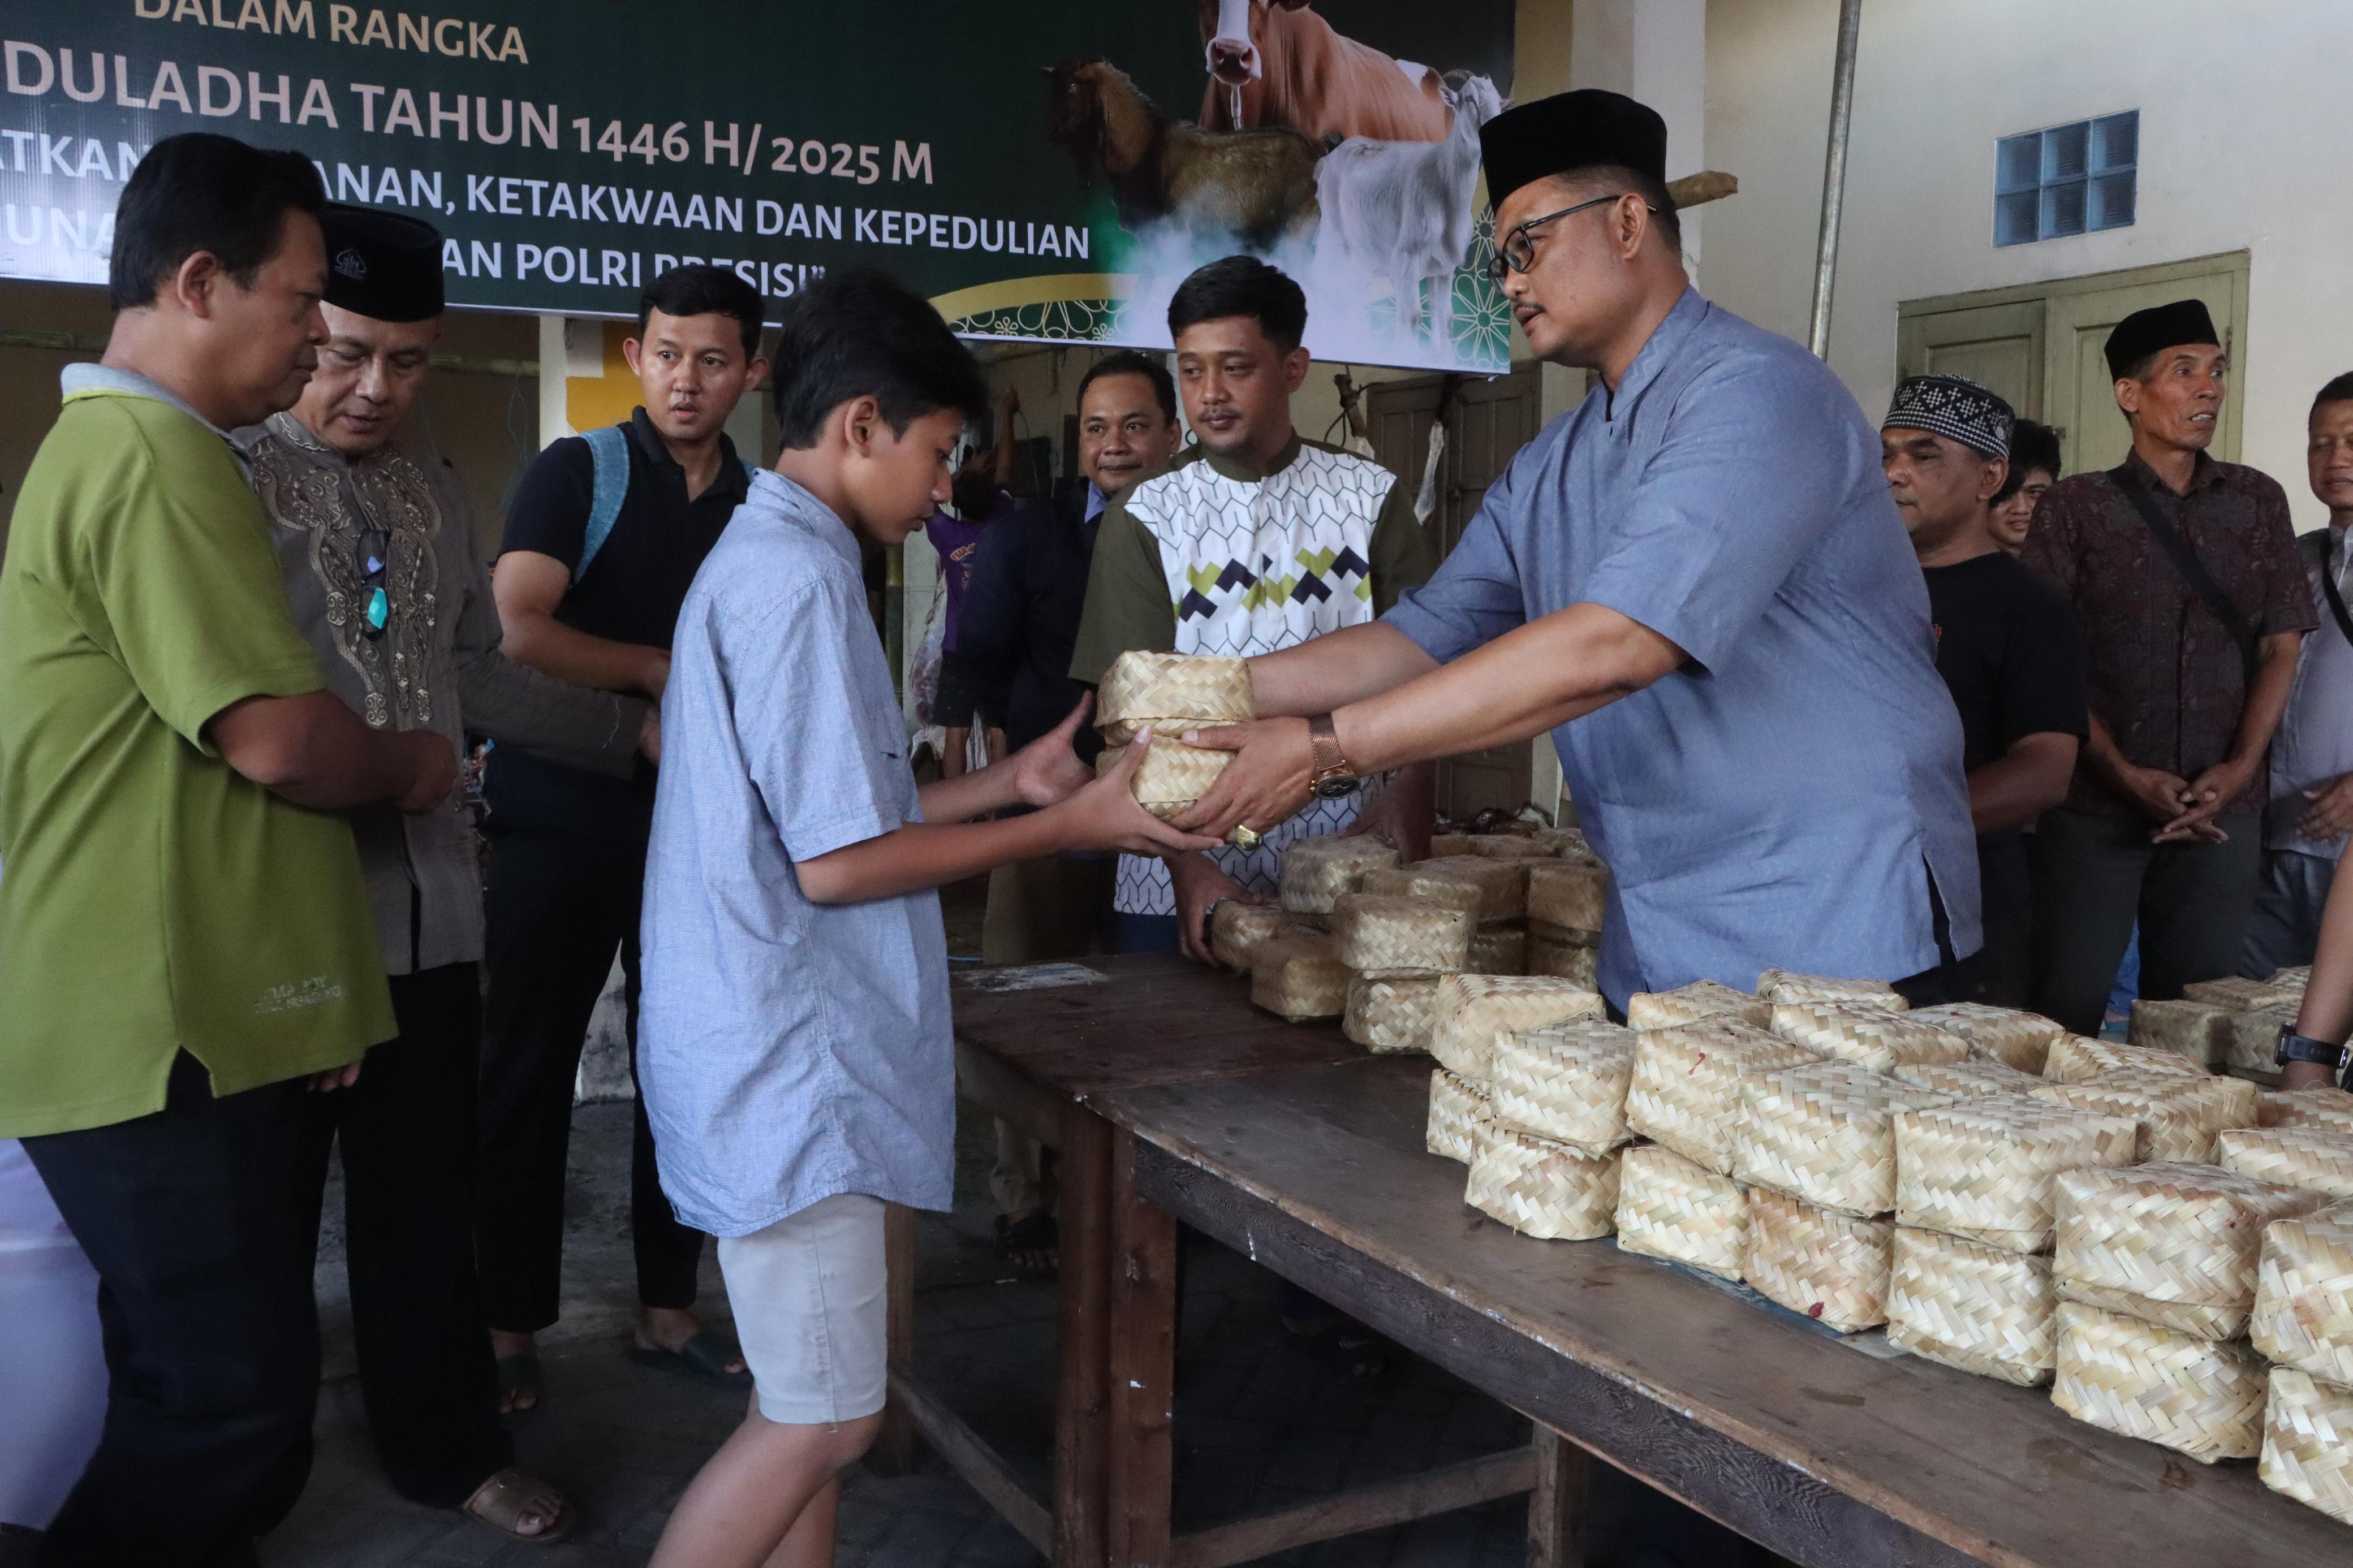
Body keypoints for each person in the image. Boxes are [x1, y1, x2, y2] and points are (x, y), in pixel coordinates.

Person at [634, 266, 1213, 1568]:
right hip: (794, 1060)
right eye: (938, 452)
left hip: (775, 1047)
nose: (944, 488)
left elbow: (850, 808)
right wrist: (1073, 828)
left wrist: (1015, 781)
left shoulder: (783, 554)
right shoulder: (795, 582)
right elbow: (837, 868)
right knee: (824, 1425)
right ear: (858, 427)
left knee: (809, 1404)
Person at [1166, 90, 1981, 1007]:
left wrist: (1323, 748)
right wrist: (1208, 693)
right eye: (1498, 258)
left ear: (1629, 221)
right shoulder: (1552, 463)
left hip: (1837, 919)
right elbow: (1421, 635)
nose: (1509, 282)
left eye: (1528, 246)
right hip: (1664, 924)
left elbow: (1617, 646)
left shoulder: (1758, 395)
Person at [0, 132, 456, 1566]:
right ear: (202, 282)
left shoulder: (136, 451)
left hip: (177, 1010)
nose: (323, 339)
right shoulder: (155, 458)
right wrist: (423, 764)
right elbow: (281, 743)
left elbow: (198, 791)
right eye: (304, 301)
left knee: (191, 1375)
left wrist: (312, 983)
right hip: (147, 1030)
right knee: (230, 1402)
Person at [243, 206, 660, 1541]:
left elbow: (482, 672)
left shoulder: (429, 488)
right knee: (257, 1226)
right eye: (346, 353)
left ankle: (445, 1449)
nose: (375, 389)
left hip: (431, 918)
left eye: (410, 362)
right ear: (298, 331)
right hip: (285, 930)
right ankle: (239, 1471)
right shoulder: (224, 476)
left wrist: (638, 739)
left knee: (426, 1206)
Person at [479, 264, 769, 1409]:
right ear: (635, 357)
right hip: (555, 818)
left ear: (749, 369)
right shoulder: (580, 472)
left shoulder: (760, 504)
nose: (685, 379)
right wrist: (660, 677)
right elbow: (515, 626)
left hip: (693, 831)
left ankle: (666, 1307)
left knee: (685, 1072)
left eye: (712, 358)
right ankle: (506, 1325)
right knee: (525, 1073)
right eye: (665, 353)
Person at [1069, 256, 1438, 959]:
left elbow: (1428, 667)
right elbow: (1121, 725)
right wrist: (1185, 867)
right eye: (1190, 369)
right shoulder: (1144, 517)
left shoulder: (1368, 499)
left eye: (1234, 367)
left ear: (1293, 367)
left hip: (1345, 855)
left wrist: (1405, 799)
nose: (1208, 394)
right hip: (1177, 865)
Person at [948, 349, 1186, 1273]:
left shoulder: (1205, 534)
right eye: (1096, 427)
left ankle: (1146, 1191)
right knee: (1025, 998)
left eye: (1134, 425)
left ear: (1172, 433)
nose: (1114, 445)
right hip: (1051, 809)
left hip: (1175, 816)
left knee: (1150, 1009)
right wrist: (1005, 808)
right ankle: (1025, 1201)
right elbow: (981, 665)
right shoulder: (1029, 536)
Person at [2021, 300, 2313, 1035]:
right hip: (2095, 809)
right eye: (2184, 372)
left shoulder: (2256, 501)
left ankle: (2174, 1152)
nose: (2208, 389)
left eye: (2215, 371)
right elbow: (2047, 662)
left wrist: (2241, 769)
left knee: (2193, 1019)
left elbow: (2283, 644)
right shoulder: (2073, 509)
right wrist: (2121, 772)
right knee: (2068, 1008)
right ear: (2130, 393)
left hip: (2223, 816)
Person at [1880, 375, 2086, 1006]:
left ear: (1989, 476)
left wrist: (1887, 829)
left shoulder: (2027, 608)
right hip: (1841, 903)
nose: (1893, 473)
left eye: (1922, 455)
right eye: (1884, 455)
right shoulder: (1855, 592)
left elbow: (2045, 772)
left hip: (1962, 912)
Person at [2240, 374, 2353, 977]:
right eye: (2319, 442)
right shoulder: (2294, 559)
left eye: (2352, 440)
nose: (2335, 458)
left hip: (2347, 853)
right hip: (2275, 844)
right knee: (2248, 1028)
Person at [932, 386, 1022, 777]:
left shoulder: (945, 534)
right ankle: (996, 810)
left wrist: (963, 473)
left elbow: (924, 492)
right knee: (1000, 730)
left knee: (957, 733)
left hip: (958, 646)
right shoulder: (1003, 521)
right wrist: (1007, 416)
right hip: (999, 644)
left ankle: (957, 814)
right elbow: (1006, 468)